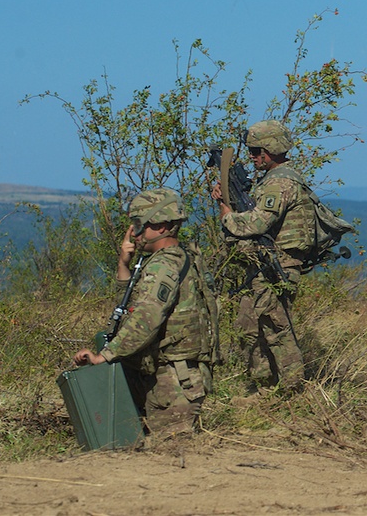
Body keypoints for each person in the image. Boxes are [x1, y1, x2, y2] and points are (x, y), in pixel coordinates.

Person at [74, 188, 219, 438]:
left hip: (174, 383)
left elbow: (145, 318)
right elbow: (133, 303)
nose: (134, 232)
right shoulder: (178, 258)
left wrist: (104, 357)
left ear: (162, 226)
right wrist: (123, 264)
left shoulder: (164, 265)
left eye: (139, 225)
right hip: (163, 377)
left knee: (169, 457)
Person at [211, 120, 315, 392]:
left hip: (277, 265)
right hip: (261, 265)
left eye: (257, 151)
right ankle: (263, 387)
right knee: (248, 326)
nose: (253, 156)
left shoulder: (280, 182)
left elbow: (257, 224)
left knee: (275, 328)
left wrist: (227, 216)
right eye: (251, 150)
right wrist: (227, 201)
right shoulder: (269, 180)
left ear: (272, 149)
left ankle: (292, 390)